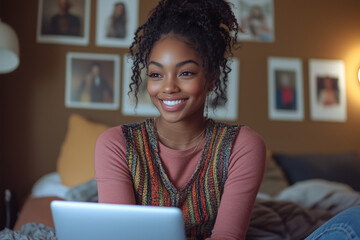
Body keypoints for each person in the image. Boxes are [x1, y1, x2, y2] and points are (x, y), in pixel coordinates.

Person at [94, 0, 360, 239]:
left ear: (210, 77)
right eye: (156, 74)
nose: (168, 87)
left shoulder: (241, 145)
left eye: (185, 73)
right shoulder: (117, 144)